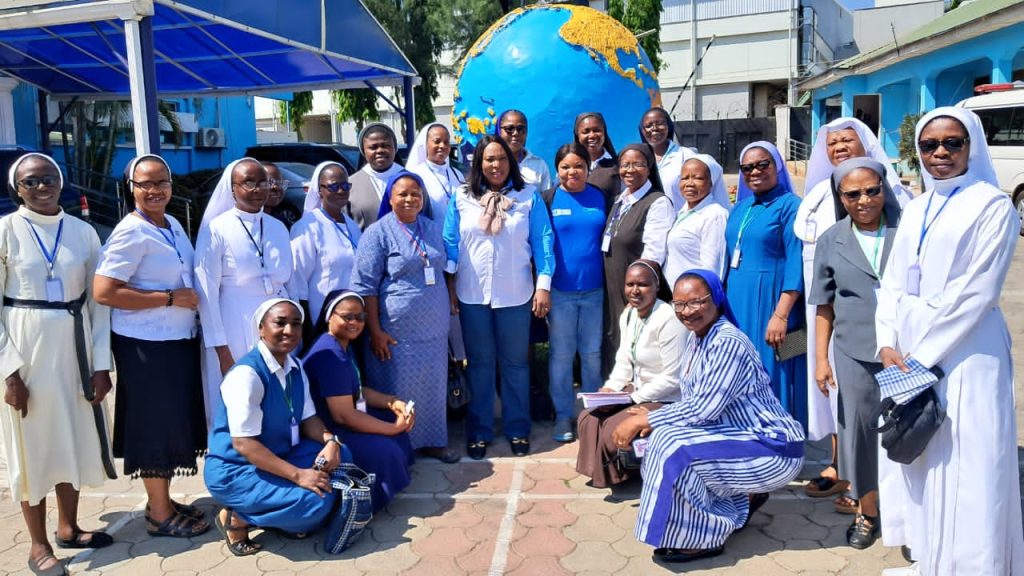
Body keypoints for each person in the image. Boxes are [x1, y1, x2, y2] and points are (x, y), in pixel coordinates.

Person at [875, 108, 1023, 576]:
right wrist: (886, 342)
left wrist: (920, 355)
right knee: (924, 451)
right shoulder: (917, 207)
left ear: (971, 147)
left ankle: (977, 565)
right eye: (929, 144)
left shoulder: (993, 205)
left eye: (952, 143)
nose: (940, 152)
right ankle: (932, 559)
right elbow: (892, 282)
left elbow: (978, 292)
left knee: (970, 457)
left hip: (969, 350)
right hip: (909, 351)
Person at [618, 270, 804, 563]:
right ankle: (741, 501)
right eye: (679, 304)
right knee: (665, 438)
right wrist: (655, 413)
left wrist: (645, 420)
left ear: (716, 299)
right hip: (740, 438)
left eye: (696, 302)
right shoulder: (698, 338)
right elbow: (695, 401)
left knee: (675, 448)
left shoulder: (726, 342)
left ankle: (701, 537)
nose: (686, 311)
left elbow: (703, 409)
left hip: (773, 446)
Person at [0, 153, 115, 575]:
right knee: (32, 448)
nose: (42, 186)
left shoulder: (83, 232)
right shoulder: (5, 230)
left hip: (75, 347)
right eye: (31, 181)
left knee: (72, 437)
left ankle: (69, 527)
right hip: (26, 354)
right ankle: (37, 546)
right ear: (17, 188)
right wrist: (9, 373)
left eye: (49, 178)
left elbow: (99, 305)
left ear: (61, 182)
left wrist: (100, 365)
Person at [796, 118, 911, 505]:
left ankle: (894, 499)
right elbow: (823, 294)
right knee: (848, 414)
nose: (839, 147)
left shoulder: (903, 212)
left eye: (848, 139)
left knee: (901, 419)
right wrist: (820, 356)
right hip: (842, 328)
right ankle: (854, 484)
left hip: (897, 339)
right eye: (832, 143)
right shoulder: (818, 197)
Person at [93, 155, 208, 538]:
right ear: (131, 188)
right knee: (154, 426)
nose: (154, 190)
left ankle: (164, 500)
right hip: (145, 346)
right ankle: (159, 514)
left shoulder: (171, 224)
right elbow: (104, 291)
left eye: (161, 182)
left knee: (170, 422)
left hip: (174, 342)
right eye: (145, 184)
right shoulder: (130, 231)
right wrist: (170, 298)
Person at [809, 157, 902, 550]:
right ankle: (868, 511)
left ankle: (907, 515)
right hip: (854, 351)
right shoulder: (831, 239)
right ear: (840, 198)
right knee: (859, 435)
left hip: (905, 350)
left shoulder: (907, 229)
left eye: (871, 190)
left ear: (884, 189)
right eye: (852, 194)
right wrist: (821, 359)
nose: (864, 200)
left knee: (907, 430)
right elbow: (824, 306)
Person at [443, 134, 555, 460]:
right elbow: (450, 242)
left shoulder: (528, 196)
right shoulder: (461, 197)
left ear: (511, 162)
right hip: (472, 294)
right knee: (479, 364)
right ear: (479, 163)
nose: (496, 165)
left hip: (516, 294)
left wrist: (543, 285)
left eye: (502, 158)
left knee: (516, 364)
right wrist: (449, 286)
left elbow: (543, 242)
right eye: (489, 159)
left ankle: (517, 428)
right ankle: (479, 431)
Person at [205, 298, 344, 556]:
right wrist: (299, 476)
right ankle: (237, 518)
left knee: (342, 454)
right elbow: (244, 444)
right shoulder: (247, 375)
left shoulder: (295, 366)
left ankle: (283, 514)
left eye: (296, 324)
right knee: (314, 502)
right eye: (280, 323)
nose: (289, 331)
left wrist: (331, 441)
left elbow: (309, 420)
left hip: (279, 455)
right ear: (261, 328)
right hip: (237, 471)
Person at [351, 171, 456, 463]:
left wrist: (451, 296)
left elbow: (444, 268)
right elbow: (366, 287)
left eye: (416, 194)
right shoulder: (377, 233)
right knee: (398, 388)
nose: (410, 199)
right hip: (395, 332)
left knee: (433, 386)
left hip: (433, 329)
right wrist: (375, 330)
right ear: (390, 198)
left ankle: (434, 441)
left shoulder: (432, 228)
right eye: (403, 194)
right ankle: (398, 446)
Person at [195, 158, 292, 426]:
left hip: (276, 321)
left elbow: (288, 282)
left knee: (275, 393)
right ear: (232, 188)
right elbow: (206, 292)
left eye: (263, 182)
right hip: (233, 323)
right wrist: (221, 350)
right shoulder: (216, 229)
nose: (258, 189)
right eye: (249, 182)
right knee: (238, 397)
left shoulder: (277, 227)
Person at [576, 261, 684, 488]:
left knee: (613, 427)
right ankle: (611, 472)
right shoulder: (629, 315)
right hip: (637, 390)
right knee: (589, 417)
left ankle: (633, 470)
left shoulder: (669, 319)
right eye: (630, 284)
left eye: (643, 284)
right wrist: (610, 389)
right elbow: (624, 360)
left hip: (667, 397)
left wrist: (632, 398)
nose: (635, 291)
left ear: (656, 286)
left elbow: (673, 378)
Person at [303, 290, 414, 511]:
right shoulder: (329, 356)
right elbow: (343, 416)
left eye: (360, 317)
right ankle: (365, 502)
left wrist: (392, 402)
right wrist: (392, 429)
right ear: (329, 317)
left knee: (392, 419)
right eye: (347, 317)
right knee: (386, 448)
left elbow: (356, 390)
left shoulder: (341, 343)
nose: (355, 322)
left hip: (340, 416)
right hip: (325, 428)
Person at [724, 142, 807, 429]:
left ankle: (781, 437)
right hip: (738, 301)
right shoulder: (741, 207)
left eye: (763, 164)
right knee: (741, 368)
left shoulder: (791, 206)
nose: (755, 171)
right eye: (747, 167)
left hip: (774, 304)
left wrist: (781, 315)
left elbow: (796, 263)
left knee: (776, 369)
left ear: (777, 166)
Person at [545, 143, 607, 442]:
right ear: (557, 169)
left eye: (579, 166)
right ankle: (562, 415)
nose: (573, 172)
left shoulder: (600, 196)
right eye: (566, 167)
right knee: (561, 355)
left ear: (588, 167)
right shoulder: (548, 199)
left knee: (592, 354)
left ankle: (591, 415)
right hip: (560, 292)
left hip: (595, 290)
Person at [602, 143, 672, 369]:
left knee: (638, 351)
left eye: (638, 164)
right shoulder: (620, 200)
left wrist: (637, 295)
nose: (630, 170)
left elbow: (654, 255)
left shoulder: (657, 203)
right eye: (625, 165)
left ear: (649, 167)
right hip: (613, 289)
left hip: (636, 295)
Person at [406, 122, 468, 362]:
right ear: (425, 145)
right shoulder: (417, 176)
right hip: (432, 253)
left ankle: (462, 361)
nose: (442, 146)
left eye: (446, 142)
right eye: (436, 141)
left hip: (459, 253)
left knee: (459, 310)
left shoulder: (457, 174)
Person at [287, 161, 361, 326]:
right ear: (319, 190)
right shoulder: (307, 227)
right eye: (333, 186)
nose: (341, 191)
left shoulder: (353, 226)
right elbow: (298, 280)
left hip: (352, 317)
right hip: (321, 317)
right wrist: (305, 325)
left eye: (345, 186)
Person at [661, 155, 731, 287]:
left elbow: (713, 269)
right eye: (684, 178)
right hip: (673, 292)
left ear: (711, 182)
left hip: (693, 294)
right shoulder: (682, 212)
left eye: (698, 178)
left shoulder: (714, 215)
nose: (689, 183)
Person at [347, 123, 406, 230]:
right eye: (373, 147)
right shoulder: (350, 185)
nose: (379, 150)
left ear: (395, 148)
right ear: (363, 151)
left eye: (385, 145)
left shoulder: (412, 180)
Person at [638, 106, 691, 210]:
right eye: (648, 125)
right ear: (642, 131)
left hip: (678, 218)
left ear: (669, 126)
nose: (654, 128)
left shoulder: (687, 156)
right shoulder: (639, 158)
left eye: (660, 123)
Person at [496, 109, 552, 191]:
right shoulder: (491, 163)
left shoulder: (539, 165)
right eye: (509, 129)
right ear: (499, 131)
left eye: (520, 129)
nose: (515, 133)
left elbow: (546, 196)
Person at [573, 112, 619, 204]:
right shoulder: (569, 165)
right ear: (577, 135)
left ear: (604, 132)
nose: (592, 135)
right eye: (586, 132)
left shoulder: (618, 166)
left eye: (597, 130)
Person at [262, 163, 295, 229]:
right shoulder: (244, 223)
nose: (276, 187)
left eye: (280, 183)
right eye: (269, 183)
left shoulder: (282, 222)